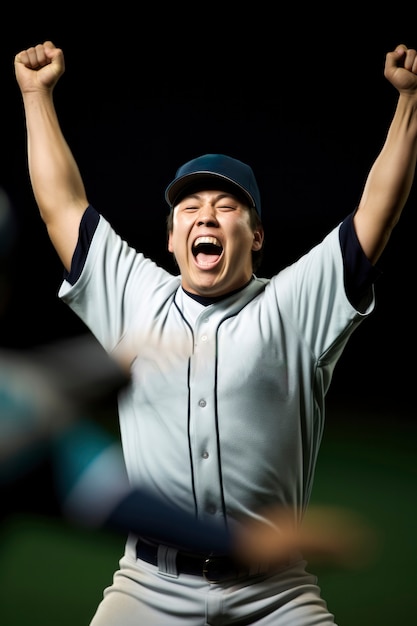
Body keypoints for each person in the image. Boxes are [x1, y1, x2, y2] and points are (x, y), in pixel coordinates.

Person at [13, 39, 416, 625]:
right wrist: (35, 96)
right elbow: (61, 204)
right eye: (190, 207)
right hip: (149, 584)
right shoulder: (134, 294)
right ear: (173, 238)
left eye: (228, 206)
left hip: (277, 593)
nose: (206, 214)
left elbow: (378, 209)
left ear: (256, 236)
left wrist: (409, 102)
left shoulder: (296, 302)